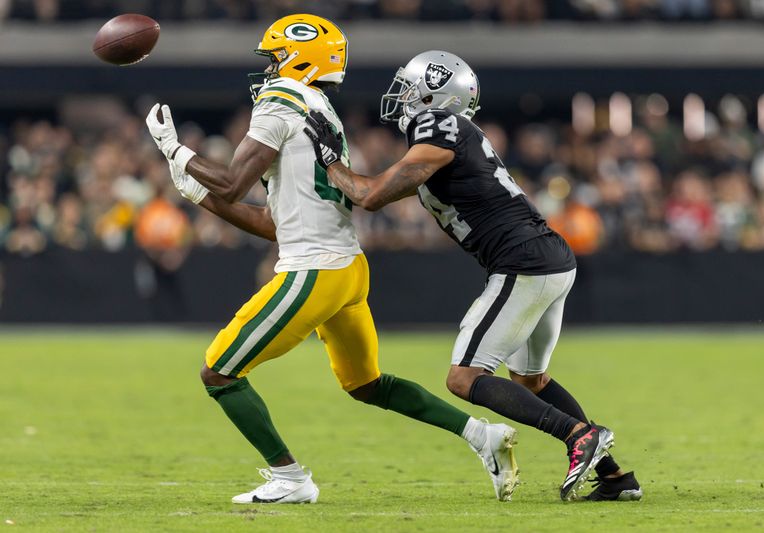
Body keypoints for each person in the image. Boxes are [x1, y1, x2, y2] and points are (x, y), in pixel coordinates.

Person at [144, 16, 520, 504]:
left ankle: (291, 478)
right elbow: (277, 222)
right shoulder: (319, 109)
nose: (270, 68)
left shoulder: (281, 100)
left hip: (314, 270)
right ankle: (481, 435)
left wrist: (175, 151)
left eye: (276, 56)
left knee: (219, 372)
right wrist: (198, 192)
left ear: (299, 58)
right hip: (346, 269)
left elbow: (234, 183)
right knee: (366, 384)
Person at [304, 50, 642, 502]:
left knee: (463, 377)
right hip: (545, 259)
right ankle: (615, 477)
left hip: (523, 262)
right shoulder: (451, 133)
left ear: (433, 92)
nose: (401, 94)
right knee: (531, 380)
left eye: (409, 85)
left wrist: (331, 163)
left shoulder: (439, 125)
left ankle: (579, 435)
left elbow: (372, 195)